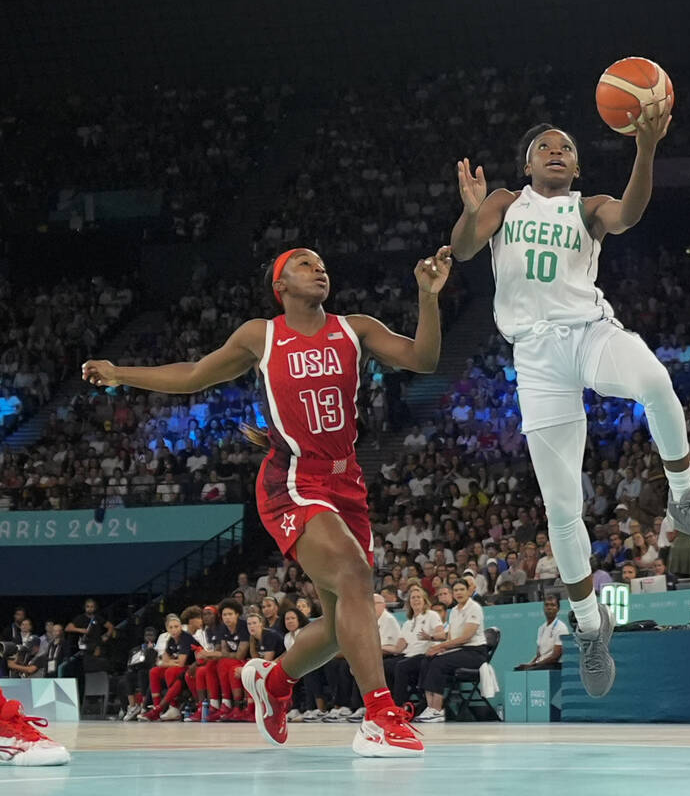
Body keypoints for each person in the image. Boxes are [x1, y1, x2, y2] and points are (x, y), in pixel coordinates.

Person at [82, 244, 452, 756]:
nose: (318, 269)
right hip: (292, 480)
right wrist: (121, 373)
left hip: (347, 484)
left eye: (321, 263)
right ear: (280, 286)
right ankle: (379, 716)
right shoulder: (262, 334)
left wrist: (428, 298)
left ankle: (274, 683)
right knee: (353, 575)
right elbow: (193, 375)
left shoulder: (354, 328)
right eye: (304, 264)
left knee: (345, 622)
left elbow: (425, 359)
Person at [450, 110, 690, 698]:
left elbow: (628, 215)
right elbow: (464, 248)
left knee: (656, 382)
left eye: (566, 148)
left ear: (576, 165)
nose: (556, 152)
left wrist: (646, 150)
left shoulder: (587, 206)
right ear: (526, 164)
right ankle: (587, 627)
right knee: (562, 508)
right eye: (544, 147)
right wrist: (473, 210)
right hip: (535, 356)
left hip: (588, 334)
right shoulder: (506, 201)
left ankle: (684, 498)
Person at [414, 580, 488, 723]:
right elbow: (452, 637)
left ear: (468, 591)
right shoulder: (453, 611)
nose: (459, 593)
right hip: (459, 650)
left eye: (462, 589)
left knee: (439, 662)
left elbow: (466, 637)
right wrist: (441, 648)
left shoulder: (474, 608)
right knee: (428, 659)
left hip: (475, 653)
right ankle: (430, 707)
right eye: (456, 590)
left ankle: (438, 710)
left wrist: (440, 647)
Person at [385, 586, 443, 704]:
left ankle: (399, 705)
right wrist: (379, 647)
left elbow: (441, 634)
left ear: (424, 600)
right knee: (385, 665)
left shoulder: (432, 615)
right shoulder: (407, 623)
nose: (416, 600)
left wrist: (430, 637)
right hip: (408, 655)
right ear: (409, 602)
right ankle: (386, 703)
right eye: (413, 598)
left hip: (424, 655)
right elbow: (397, 649)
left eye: (418, 597)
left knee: (401, 666)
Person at [139, 614, 196, 722]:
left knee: (171, 671)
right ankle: (156, 708)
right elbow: (161, 662)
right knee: (154, 671)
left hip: (190, 668)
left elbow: (181, 663)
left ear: (181, 627)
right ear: (167, 629)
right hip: (179, 668)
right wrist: (171, 662)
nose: (174, 629)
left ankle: (173, 707)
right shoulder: (170, 640)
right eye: (171, 627)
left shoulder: (186, 638)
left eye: (176, 626)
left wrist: (170, 662)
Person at [514, 595, 570, 671]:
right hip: (541, 664)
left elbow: (555, 656)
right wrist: (529, 664)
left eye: (552, 605)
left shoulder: (561, 627)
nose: (549, 608)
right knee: (519, 669)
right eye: (546, 605)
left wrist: (535, 665)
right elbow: (539, 655)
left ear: (558, 609)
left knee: (531, 670)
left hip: (554, 665)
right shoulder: (541, 628)